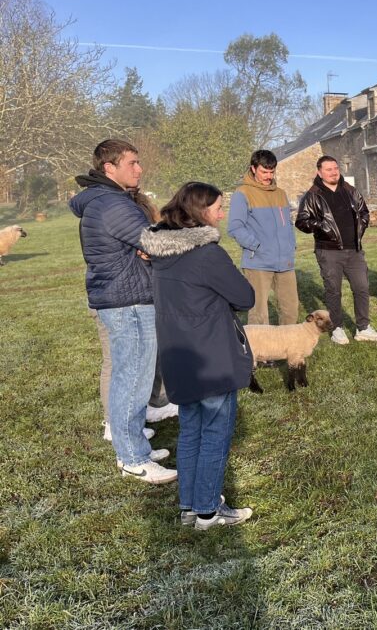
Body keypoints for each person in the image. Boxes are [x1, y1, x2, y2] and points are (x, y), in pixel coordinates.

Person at [140, 182, 256, 530]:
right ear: (200, 212)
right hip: (212, 357)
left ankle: (190, 506)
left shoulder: (162, 254)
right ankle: (208, 510)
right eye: (218, 208)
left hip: (180, 356)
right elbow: (244, 296)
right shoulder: (207, 254)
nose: (222, 215)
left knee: (191, 431)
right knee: (215, 433)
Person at [70, 139, 174, 484]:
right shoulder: (112, 203)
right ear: (109, 168)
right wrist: (200, 236)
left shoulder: (107, 201)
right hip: (126, 300)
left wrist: (142, 250)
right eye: (132, 163)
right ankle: (132, 457)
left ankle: (134, 447)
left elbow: (143, 244)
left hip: (126, 295)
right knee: (131, 377)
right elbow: (157, 242)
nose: (140, 169)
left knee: (133, 376)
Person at [93, 187, 178, 443]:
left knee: (145, 358)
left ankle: (148, 407)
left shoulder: (131, 212)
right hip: (114, 299)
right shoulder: (107, 215)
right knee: (116, 362)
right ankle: (113, 422)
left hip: (136, 295)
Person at [295, 155, 377, 345]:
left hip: (354, 250)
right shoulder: (313, 195)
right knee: (333, 291)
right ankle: (337, 328)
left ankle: (363, 328)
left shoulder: (350, 190)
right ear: (319, 172)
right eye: (328, 169)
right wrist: (321, 226)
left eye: (335, 168)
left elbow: (364, 212)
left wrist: (362, 224)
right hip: (328, 251)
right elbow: (301, 221)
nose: (333, 172)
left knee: (362, 288)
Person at [227, 149, 298, 326]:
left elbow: (288, 224)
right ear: (253, 168)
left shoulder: (281, 193)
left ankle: (288, 351)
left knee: (291, 310)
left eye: (271, 171)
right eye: (264, 171)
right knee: (259, 315)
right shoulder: (242, 193)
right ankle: (260, 353)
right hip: (258, 263)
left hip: (285, 261)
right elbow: (235, 227)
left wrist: (291, 245)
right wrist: (256, 246)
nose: (268, 175)